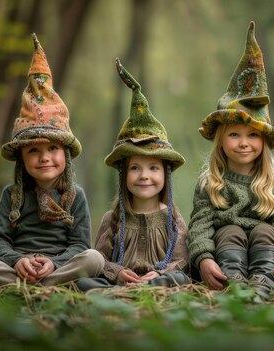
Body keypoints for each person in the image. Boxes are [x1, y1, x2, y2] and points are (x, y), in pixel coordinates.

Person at [0, 34, 104, 288]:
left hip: (58, 266)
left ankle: (37, 284)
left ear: (66, 155)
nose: (44, 157)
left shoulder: (74, 195)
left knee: (93, 259)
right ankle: (31, 282)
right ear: (21, 159)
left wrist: (55, 263)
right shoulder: (13, 195)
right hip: (18, 265)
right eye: (33, 151)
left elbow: (80, 245)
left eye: (52, 149)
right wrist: (17, 260)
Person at [188, 22, 274, 296]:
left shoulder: (272, 183)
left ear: (263, 142)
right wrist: (203, 259)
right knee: (229, 231)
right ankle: (234, 286)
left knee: (266, 230)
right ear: (221, 141)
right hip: (225, 253)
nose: (243, 143)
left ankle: (263, 284)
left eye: (252, 135)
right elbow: (200, 226)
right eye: (234, 135)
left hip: (265, 251)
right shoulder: (211, 183)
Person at [75, 59, 190, 292]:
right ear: (123, 174)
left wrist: (159, 273)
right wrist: (117, 273)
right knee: (84, 282)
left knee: (182, 279)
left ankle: (155, 285)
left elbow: (181, 260)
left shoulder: (173, 219)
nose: (144, 176)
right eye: (135, 168)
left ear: (166, 174)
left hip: (160, 280)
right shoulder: (112, 219)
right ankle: (118, 292)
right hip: (119, 284)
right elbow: (100, 259)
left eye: (153, 168)